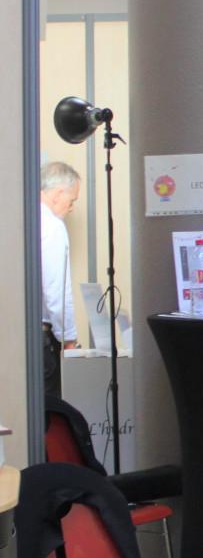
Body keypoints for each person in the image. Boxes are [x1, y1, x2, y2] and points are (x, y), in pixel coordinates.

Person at [40, 162, 81, 397]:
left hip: (16, 335)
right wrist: (69, 338)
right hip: (42, 340)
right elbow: (56, 290)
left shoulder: (21, 217)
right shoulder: (53, 227)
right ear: (57, 194)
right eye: (71, 200)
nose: (71, 207)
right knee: (49, 413)